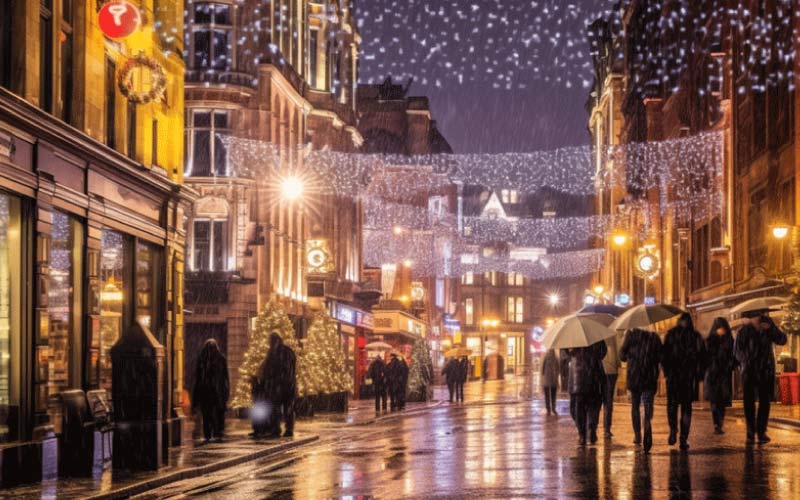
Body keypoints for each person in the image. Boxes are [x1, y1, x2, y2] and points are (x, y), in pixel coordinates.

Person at [734, 311, 787, 444]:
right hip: (749, 371)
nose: (758, 319)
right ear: (750, 318)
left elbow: (782, 340)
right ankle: (750, 432)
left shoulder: (768, 327)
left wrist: (771, 329)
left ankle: (762, 431)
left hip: (765, 371)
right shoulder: (744, 331)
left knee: (765, 402)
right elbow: (737, 351)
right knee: (749, 403)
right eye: (756, 317)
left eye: (760, 316)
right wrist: (746, 361)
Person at [662, 313, 706, 450]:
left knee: (672, 406)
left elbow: (664, 356)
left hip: (675, 377)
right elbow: (703, 357)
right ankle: (682, 438)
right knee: (686, 408)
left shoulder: (671, 335)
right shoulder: (695, 336)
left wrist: (667, 372)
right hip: (687, 377)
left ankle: (674, 431)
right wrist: (699, 375)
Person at [620, 328, 662, 453]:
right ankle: (647, 421)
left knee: (635, 406)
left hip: (634, 375)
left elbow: (622, 356)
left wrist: (631, 355)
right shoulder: (653, 336)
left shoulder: (630, 335)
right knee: (647, 403)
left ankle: (637, 434)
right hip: (649, 375)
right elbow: (660, 356)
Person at [567, 341, 607, 445]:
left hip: (578, 386)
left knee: (578, 410)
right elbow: (603, 353)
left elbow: (570, 373)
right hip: (593, 383)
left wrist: (571, 390)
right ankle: (591, 429)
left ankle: (582, 435)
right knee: (593, 407)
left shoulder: (574, 350)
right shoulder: (596, 342)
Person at [191, 339, 229, 444]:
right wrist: (225, 392)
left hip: (207, 392)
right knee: (214, 414)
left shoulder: (203, 359)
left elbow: (198, 379)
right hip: (215, 392)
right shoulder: (220, 359)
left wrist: (196, 398)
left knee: (207, 415)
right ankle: (216, 433)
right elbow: (225, 378)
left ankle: (209, 433)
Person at [261, 332, 297, 438]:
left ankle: (277, 429)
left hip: (278, 386)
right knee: (287, 409)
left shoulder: (274, 353)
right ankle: (288, 429)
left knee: (277, 408)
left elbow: (269, 370)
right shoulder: (289, 352)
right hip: (287, 385)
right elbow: (292, 368)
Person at [705, 317, 736, 434]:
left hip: (724, 375)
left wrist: (730, 365)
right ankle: (716, 423)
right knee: (714, 401)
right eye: (719, 328)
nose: (721, 330)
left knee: (722, 401)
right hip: (713, 375)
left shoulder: (729, 340)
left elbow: (734, 356)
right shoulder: (710, 340)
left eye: (722, 328)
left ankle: (720, 423)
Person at [600, 332, 622, 437]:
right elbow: (618, 351)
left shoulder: (594, 333)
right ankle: (607, 429)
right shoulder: (613, 332)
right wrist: (618, 364)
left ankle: (592, 428)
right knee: (608, 401)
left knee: (596, 400)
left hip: (598, 370)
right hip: (611, 370)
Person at [541, 349, 560, 415]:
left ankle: (549, 408)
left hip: (549, 379)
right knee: (552, 395)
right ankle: (552, 408)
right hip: (552, 379)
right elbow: (558, 369)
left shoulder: (546, 357)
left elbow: (542, 370)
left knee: (549, 395)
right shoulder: (555, 358)